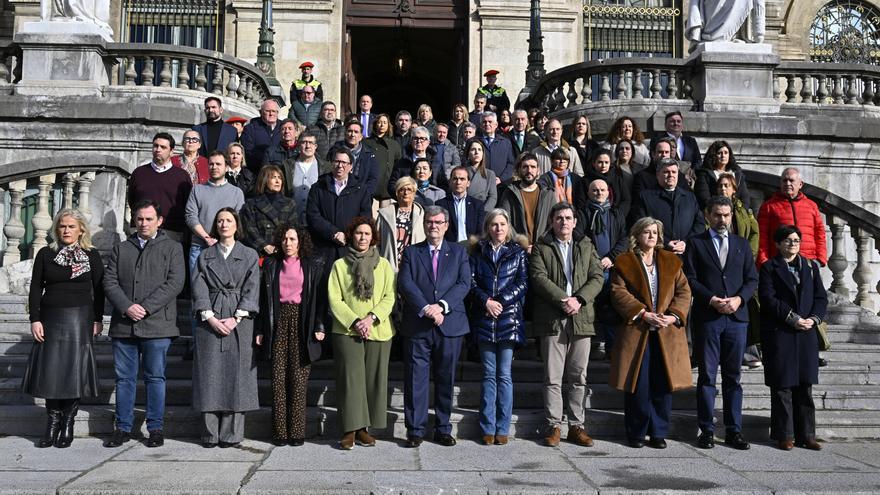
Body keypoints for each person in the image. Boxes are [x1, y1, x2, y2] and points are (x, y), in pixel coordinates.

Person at [102, 200, 185, 449]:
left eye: (149, 219)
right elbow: (109, 281)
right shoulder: (122, 248)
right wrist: (126, 306)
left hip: (158, 325)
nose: (144, 223)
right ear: (134, 220)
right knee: (124, 379)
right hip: (124, 325)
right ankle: (123, 427)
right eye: (140, 219)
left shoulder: (172, 248)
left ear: (159, 221)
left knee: (154, 378)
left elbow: (175, 283)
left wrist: (146, 307)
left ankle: (155, 428)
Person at [23, 208, 104, 449]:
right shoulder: (46, 254)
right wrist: (34, 319)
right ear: (56, 229)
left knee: (73, 370)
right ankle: (52, 421)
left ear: (81, 229)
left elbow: (99, 290)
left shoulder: (92, 255)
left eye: (71, 226)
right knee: (52, 370)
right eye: (62, 226)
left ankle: (68, 422)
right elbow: (36, 287)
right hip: (50, 318)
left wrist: (98, 319)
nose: (66, 230)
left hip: (80, 318)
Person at [609, 217, 692, 449]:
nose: (652, 236)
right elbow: (618, 292)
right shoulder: (624, 262)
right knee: (638, 383)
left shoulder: (670, 260)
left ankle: (658, 432)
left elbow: (684, 291)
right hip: (638, 331)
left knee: (662, 384)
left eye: (655, 232)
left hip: (666, 332)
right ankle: (636, 432)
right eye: (647, 232)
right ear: (637, 235)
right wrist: (642, 313)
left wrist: (674, 315)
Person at [683, 195, 759, 450]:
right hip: (709, 318)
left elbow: (752, 280)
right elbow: (690, 278)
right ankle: (706, 429)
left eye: (726, 215)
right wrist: (710, 299)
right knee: (707, 377)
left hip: (737, 320)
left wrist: (739, 299)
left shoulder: (741, 244)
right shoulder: (696, 243)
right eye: (717, 215)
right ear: (708, 215)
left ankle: (734, 431)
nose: (722, 219)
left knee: (733, 378)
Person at [529, 202, 605, 447]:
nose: (564, 222)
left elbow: (597, 276)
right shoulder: (542, 247)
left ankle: (576, 426)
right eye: (559, 218)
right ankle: (554, 426)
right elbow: (538, 278)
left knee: (578, 376)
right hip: (554, 318)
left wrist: (579, 300)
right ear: (552, 221)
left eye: (568, 218)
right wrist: (564, 300)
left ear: (574, 222)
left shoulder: (586, 245)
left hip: (581, 317)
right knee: (552, 376)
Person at [397, 205, 472, 447]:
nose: (434, 226)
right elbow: (406, 283)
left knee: (445, 379)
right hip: (418, 325)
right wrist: (426, 308)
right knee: (415, 380)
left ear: (446, 225)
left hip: (449, 325)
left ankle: (442, 428)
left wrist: (441, 306)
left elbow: (464, 284)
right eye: (430, 222)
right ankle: (416, 430)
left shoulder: (459, 253)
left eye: (439, 222)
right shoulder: (411, 252)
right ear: (424, 224)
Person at [191, 208, 261, 448]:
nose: (223, 224)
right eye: (219, 220)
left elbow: (253, 287)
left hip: (239, 319)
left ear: (236, 224)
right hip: (210, 317)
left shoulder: (249, 254)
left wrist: (236, 317)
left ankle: (231, 434)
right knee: (209, 375)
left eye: (228, 220)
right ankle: (209, 433)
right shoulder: (205, 255)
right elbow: (198, 287)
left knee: (236, 377)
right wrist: (209, 317)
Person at [326, 217, 396, 449]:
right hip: (347, 331)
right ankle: (349, 429)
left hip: (378, 329)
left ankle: (364, 429)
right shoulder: (340, 265)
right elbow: (334, 298)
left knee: (371, 381)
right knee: (350, 381)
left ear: (373, 237)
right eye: (358, 233)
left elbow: (390, 297)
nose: (363, 237)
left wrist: (371, 318)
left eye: (367, 234)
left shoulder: (384, 265)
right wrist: (355, 321)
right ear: (351, 236)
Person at [759, 225, 827, 451]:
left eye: (796, 240)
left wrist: (814, 319)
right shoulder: (770, 267)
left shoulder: (810, 266)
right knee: (782, 386)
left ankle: (807, 434)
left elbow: (821, 297)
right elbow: (768, 298)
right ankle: (784, 434)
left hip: (806, 333)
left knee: (805, 386)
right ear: (778, 244)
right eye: (788, 240)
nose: (792, 244)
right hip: (782, 332)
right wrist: (791, 318)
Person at [257, 223, 326, 446]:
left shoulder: (312, 265)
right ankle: (279, 432)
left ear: (300, 242)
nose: (288, 243)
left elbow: (318, 300)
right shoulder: (271, 264)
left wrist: (319, 326)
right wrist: (260, 329)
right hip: (277, 321)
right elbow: (262, 300)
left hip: (302, 321)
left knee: (298, 378)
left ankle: (296, 431)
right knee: (278, 379)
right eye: (285, 239)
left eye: (293, 239)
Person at [468, 208, 528, 445]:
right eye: (494, 224)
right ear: (488, 228)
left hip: (508, 319)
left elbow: (523, 282)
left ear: (508, 227)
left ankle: (502, 427)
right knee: (488, 374)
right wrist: (486, 301)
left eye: (502, 224)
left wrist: (500, 302)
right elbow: (471, 282)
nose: (498, 229)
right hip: (484, 318)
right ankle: (487, 426)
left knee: (504, 375)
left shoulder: (517, 253)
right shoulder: (477, 252)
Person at [579, 179, 627, 359]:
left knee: (610, 308)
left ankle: (611, 349)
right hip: (589, 269)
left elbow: (624, 239)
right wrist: (594, 259)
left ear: (608, 192)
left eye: (602, 190)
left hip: (612, 268)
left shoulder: (616, 213)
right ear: (589, 193)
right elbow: (579, 237)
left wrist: (610, 258)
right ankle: (587, 348)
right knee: (588, 307)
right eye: (595, 190)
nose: (599, 193)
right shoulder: (582, 213)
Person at [185, 150, 246, 277]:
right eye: (211, 164)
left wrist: (221, 240)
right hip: (199, 247)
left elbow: (238, 220)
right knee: (198, 289)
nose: (214, 167)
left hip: (227, 248)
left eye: (218, 164)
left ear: (226, 167)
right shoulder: (197, 189)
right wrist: (207, 238)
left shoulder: (236, 193)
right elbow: (191, 216)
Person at [306, 148, 372, 262]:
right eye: (337, 161)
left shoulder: (361, 190)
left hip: (350, 248)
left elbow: (365, 217)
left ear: (351, 166)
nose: (340, 166)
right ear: (332, 163)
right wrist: (333, 233)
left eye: (344, 163)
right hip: (323, 248)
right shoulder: (318, 187)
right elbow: (313, 216)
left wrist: (347, 236)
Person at [631, 159, 705, 255]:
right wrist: (665, 242)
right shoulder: (645, 197)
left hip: (687, 254)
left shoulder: (690, 197)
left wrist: (685, 242)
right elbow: (641, 225)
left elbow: (699, 224)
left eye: (674, 172)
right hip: (657, 253)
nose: (671, 175)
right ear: (658, 175)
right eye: (666, 172)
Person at [756, 167, 827, 268]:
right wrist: (764, 261)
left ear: (800, 184)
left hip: (808, 262)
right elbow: (761, 237)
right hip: (779, 263)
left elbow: (820, 234)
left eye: (791, 180)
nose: (788, 183)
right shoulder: (769, 206)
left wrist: (820, 259)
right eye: (784, 180)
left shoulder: (811, 206)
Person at [127, 133, 193, 241]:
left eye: (163, 147)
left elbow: (188, 205)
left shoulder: (182, 176)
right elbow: (132, 201)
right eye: (155, 146)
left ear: (171, 151)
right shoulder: (139, 173)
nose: (158, 149)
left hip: (171, 231)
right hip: (142, 229)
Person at [498, 153, 556, 251]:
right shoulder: (510, 192)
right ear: (519, 170)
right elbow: (505, 221)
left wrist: (540, 245)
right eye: (525, 167)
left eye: (533, 167)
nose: (529, 170)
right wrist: (521, 243)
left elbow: (553, 223)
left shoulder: (548, 194)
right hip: (517, 249)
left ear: (538, 171)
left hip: (543, 249)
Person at [241, 165, 300, 258]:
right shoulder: (251, 204)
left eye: (280, 178)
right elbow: (249, 229)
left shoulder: (289, 203)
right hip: (260, 255)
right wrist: (264, 245)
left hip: (283, 253)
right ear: (264, 180)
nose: (277, 181)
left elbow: (294, 229)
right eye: (273, 177)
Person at [376, 177, 426, 272]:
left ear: (414, 193)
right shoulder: (384, 214)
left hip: (414, 267)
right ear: (396, 193)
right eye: (402, 189)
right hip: (388, 266)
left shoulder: (422, 215)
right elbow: (375, 242)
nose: (406, 193)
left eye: (409, 190)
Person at [284, 131, 326, 225]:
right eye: (304, 142)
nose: (308, 146)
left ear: (316, 146)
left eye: (311, 143)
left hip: (316, 222)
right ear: (299, 145)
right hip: (292, 220)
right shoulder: (287, 166)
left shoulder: (325, 167)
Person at [694, 140, 750, 209]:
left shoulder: (737, 173)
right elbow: (704, 199)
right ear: (713, 155)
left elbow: (745, 198)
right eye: (719, 153)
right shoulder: (704, 174)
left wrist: (738, 214)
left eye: (726, 153)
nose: (723, 156)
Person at [436, 166, 486, 243]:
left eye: (462, 179)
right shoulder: (441, 204)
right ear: (450, 182)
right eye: (455, 179)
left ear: (468, 183)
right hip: (449, 248)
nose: (458, 182)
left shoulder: (477, 205)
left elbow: (480, 231)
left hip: (471, 247)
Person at [329, 120, 379, 196]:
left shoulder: (369, 154)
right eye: (350, 131)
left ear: (361, 137)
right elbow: (328, 172)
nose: (352, 134)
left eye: (356, 132)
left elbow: (373, 179)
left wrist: (364, 195)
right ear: (345, 134)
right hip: (337, 195)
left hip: (361, 197)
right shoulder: (334, 150)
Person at [388, 126, 437, 197]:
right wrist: (403, 197)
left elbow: (441, 183)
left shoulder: (435, 161)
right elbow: (392, 185)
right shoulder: (401, 162)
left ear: (428, 142)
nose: (419, 141)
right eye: (416, 138)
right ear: (411, 141)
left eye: (422, 138)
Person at [584, 149, 632, 220]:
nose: (603, 165)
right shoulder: (585, 181)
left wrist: (619, 216)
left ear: (610, 164)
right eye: (600, 162)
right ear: (594, 163)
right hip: (592, 218)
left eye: (606, 162)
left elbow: (626, 200)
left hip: (616, 218)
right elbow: (582, 202)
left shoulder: (617, 179)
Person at [365, 113, 402, 204]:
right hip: (371, 188)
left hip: (388, 189)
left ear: (388, 125)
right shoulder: (366, 142)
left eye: (385, 123)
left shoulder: (394, 144)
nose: (382, 125)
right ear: (375, 124)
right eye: (379, 122)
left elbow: (398, 166)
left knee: (386, 217)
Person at [241, 99, 282, 174]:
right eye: (267, 111)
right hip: (257, 173)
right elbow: (248, 152)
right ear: (260, 112)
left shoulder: (284, 128)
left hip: (280, 172)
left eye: (273, 111)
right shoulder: (250, 129)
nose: (271, 114)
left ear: (277, 113)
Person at [460, 139, 498, 211]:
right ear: (468, 153)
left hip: (483, 212)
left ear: (483, 154)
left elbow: (493, 197)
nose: (477, 152)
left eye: (479, 150)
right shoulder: (461, 173)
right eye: (473, 149)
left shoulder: (490, 174)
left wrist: (482, 211)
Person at [480, 112, 516, 182]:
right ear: (481, 125)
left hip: (500, 185)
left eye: (490, 122)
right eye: (484, 122)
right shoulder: (473, 142)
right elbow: (466, 162)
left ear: (496, 124)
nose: (487, 124)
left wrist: (501, 179)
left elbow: (511, 164)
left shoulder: (506, 142)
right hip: (479, 184)